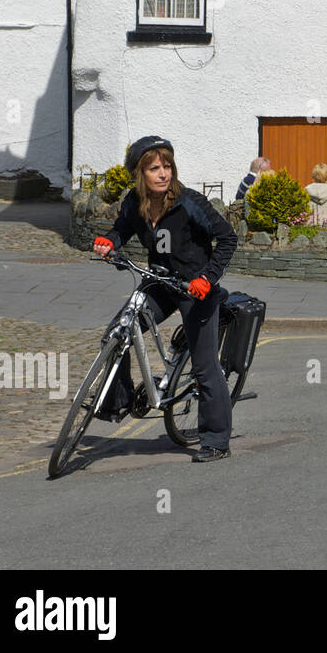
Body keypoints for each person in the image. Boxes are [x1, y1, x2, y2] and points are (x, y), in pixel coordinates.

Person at [92, 136, 237, 464]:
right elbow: (120, 230)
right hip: (159, 283)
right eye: (154, 168)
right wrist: (108, 242)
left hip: (195, 288)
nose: (163, 174)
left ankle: (216, 440)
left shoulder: (189, 203)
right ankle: (119, 402)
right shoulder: (134, 203)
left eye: (167, 166)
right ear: (139, 174)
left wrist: (207, 278)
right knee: (116, 333)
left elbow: (228, 238)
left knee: (204, 366)